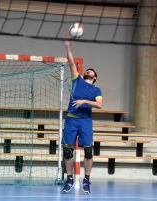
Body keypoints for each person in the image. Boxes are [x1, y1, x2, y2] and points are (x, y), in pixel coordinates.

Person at [62, 37, 102, 194]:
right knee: (67, 150)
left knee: (88, 151)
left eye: (91, 71)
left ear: (95, 77)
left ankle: (87, 179)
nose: (88, 71)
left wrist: (85, 101)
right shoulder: (77, 80)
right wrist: (69, 48)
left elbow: (99, 104)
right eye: (87, 70)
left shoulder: (96, 90)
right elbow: (72, 63)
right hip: (72, 119)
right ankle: (70, 179)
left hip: (85, 121)